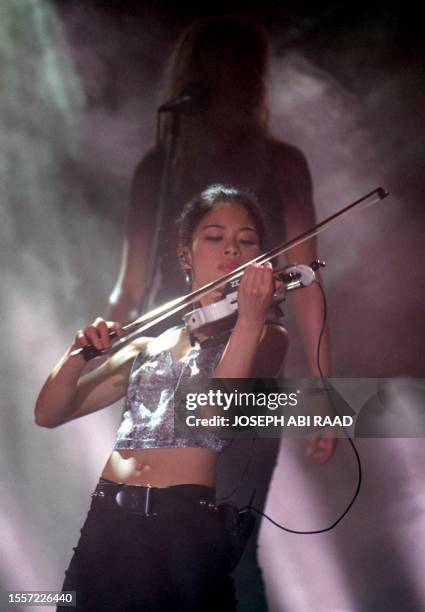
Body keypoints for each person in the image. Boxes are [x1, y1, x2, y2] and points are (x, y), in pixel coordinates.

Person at [107, 15, 335, 609]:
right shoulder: (157, 169)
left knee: (227, 545)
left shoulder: (283, 164)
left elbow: (306, 282)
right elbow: (130, 290)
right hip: (167, 372)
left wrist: (321, 394)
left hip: (250, 368)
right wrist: (98, 348)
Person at [35, 185, 289, 611]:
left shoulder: (266, 337)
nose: (232, 250)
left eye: (247, 241)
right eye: (215, 237)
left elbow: (212, 415)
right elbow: (48, 413)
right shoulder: (144, 347)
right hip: (107, 523)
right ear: (184, 254)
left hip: (183, 528)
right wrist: (77, 353)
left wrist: (248, 318)